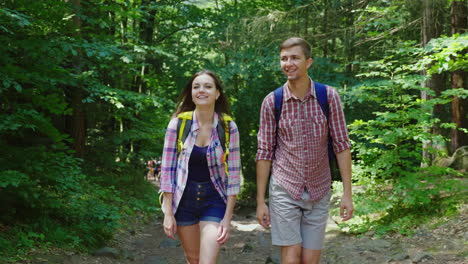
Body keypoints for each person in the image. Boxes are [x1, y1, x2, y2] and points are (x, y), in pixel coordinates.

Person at [255, 37, 354, 264]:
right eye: (283, 58)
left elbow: (342, 145)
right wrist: (261, 201)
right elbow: (264, 152)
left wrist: (347, 194)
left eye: (294, 58)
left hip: (319, 188)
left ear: (308, 62)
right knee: (291, 258)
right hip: (284, 187)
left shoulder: (328, 97)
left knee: (310, 260)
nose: (288, 63)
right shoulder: (272, 102)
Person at [159, 70, 241, 264]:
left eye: (207, 86)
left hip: (214, 199)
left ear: (217, 93)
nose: (201, 90)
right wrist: (168, 214)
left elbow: (234, 176)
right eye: (196, 87)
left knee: (207, 261)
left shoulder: (228, 127)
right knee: (193, 259)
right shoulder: (177, 124)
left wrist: (227, 218)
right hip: (184, 200)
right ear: (191, 93)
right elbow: (167, 171)